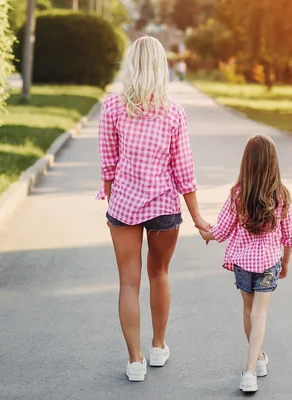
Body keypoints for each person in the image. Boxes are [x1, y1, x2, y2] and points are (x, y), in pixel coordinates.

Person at [96, 36, 210, 382]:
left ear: (130, 65)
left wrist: (113, 201)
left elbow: (108, 166)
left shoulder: (112, 107)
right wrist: (198, 218)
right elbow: (184, 172)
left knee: (128, 283)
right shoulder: (173, 112)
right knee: (158, 273)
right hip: (163, 206)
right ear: (162, 67)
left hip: (125, 207)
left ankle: (135, 361)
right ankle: (159, 346)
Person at [199, 134, 292, 393]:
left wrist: (204, 232)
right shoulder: (281, 195)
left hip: (242, 264)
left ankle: (257, 362)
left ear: (247, 162)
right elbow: (289, 235)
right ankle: (251, 369)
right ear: (273, 163)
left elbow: (220, 231)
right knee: (259, 314)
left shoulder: (237, 194)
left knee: (248, 311)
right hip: (268, 264)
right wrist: (285, 262)